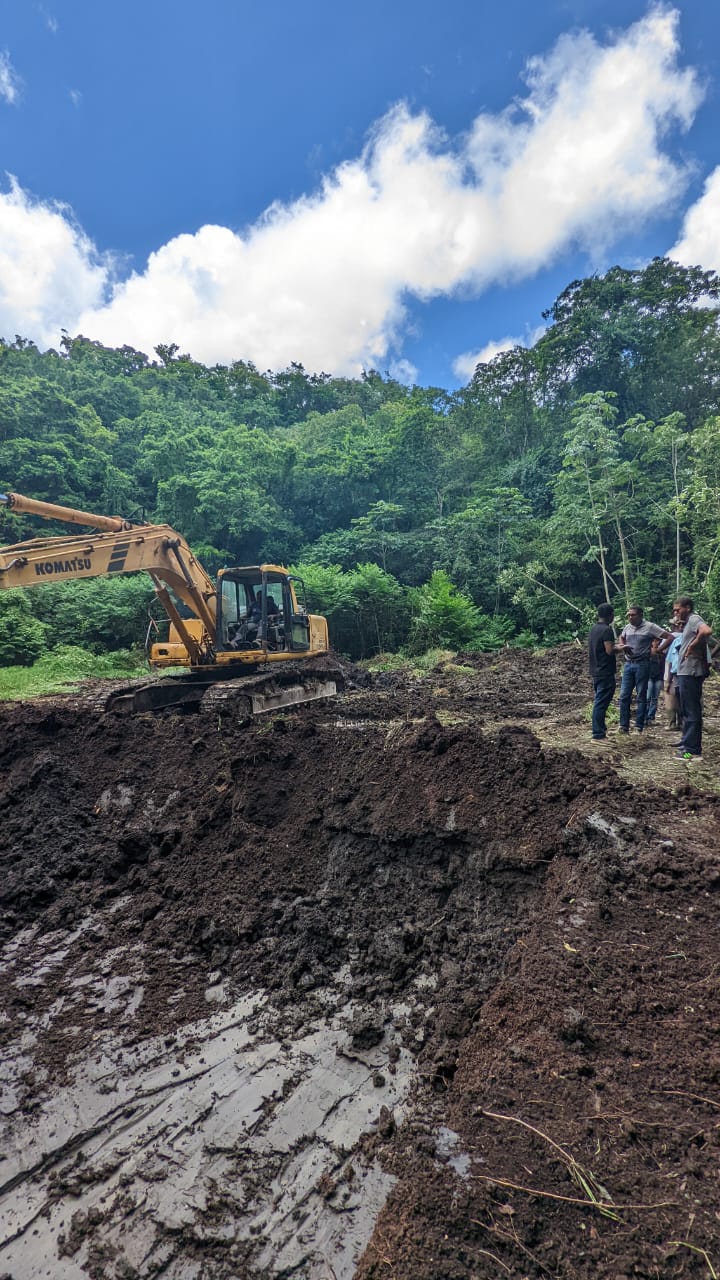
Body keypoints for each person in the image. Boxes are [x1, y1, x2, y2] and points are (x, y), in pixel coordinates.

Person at [616, 606, 673, 734]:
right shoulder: (627, 627)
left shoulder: (650, 627)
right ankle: (623, 726)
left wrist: (658, 650)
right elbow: (622, 636)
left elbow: (669, 637)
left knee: (641, 695)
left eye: (633, 615)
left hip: (642, 664)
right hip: (628, 664)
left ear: (641, 615)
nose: (630, 617)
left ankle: (638, 726)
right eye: (629, 615)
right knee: (624, 695)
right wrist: (623, 646)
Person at [673, 595, 713, 762]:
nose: (676, 613)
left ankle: (691, 751)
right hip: (686, 671)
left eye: (678, 610)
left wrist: (693, 644)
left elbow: (707, 631)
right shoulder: (688, 622)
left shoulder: (695, 618)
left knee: (691, 710)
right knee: (687, 710)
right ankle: (686, 744)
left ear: (687, 608)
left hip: (691, 671)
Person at [588, 603, 616, 742]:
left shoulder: (594, 629)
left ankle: (600, 730)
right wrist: (623, 648)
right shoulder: (607, 630)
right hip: (605, 671)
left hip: (596, 670)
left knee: (599, 701)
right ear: (610, 615)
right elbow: (609, 650)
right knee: (601, 703)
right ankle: (598, 734)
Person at [663, 619, 684, 731]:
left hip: (685, 674)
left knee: (675, 698)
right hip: (675, 673)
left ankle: (678, 723)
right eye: (679, 624)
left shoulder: (671, 637)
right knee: (676, 697)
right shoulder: (675, 640)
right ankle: (677, 723)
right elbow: (671, 660)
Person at [645, 639, 664, 726]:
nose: (656, 643)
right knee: (647, 697)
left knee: (655, 698)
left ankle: (651, 717)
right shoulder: (647, 653)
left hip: (658, 677)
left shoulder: (661, 654)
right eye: (654, 641)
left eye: (657, 641)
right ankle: (644, 716)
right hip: (649, 677)